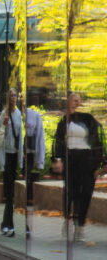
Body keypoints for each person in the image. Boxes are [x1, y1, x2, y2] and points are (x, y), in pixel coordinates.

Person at [52, 92, 104, 242]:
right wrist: (59, 159)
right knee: (71, 191)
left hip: (87, 159)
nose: (76, 103)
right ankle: (67, 220)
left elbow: (98, 138)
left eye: (78, 101)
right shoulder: (64, 121)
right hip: (71, 159)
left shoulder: (87, 119)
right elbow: (59, 141)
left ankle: (80, 226)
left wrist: (101, 163)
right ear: (68, 102)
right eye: (74, 100)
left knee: (86, 192)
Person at [0, 87, 22, 237]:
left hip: (14, 155)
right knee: (9, 193)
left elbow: (20, 137)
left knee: (11, 193)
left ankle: (6, 225)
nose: (14, 97)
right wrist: (4, 125)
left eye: (15, 95)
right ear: (8, 98)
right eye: (11, 95)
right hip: (6, 155)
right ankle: (7, 224)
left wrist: (20, 161)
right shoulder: (3, 115)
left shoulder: (18, 114)